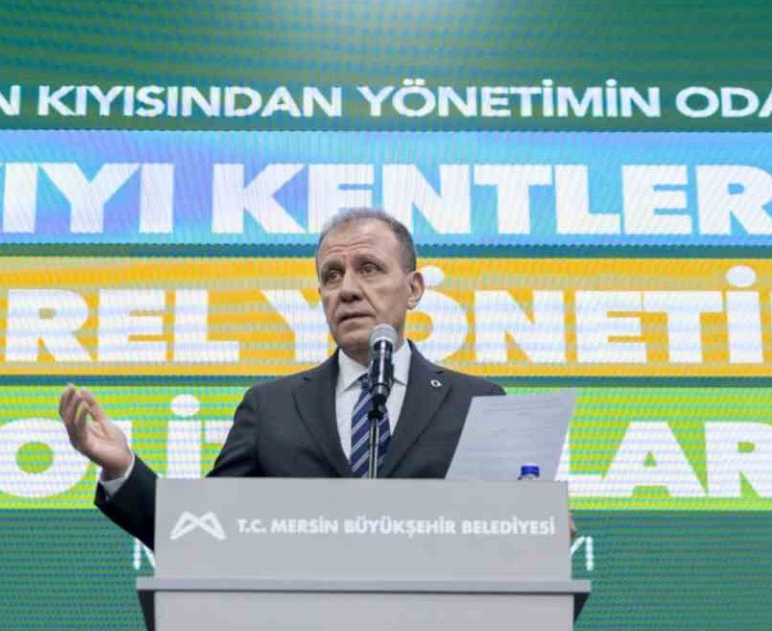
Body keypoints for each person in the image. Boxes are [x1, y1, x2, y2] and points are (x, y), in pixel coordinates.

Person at [59, 206, 505, 551]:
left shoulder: (477, 403)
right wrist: (122, 468)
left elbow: (508, 533)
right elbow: (199, 535)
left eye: (369, 268)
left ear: (414, 289)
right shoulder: (271, 408)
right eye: (332, 276)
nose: (348, 289)